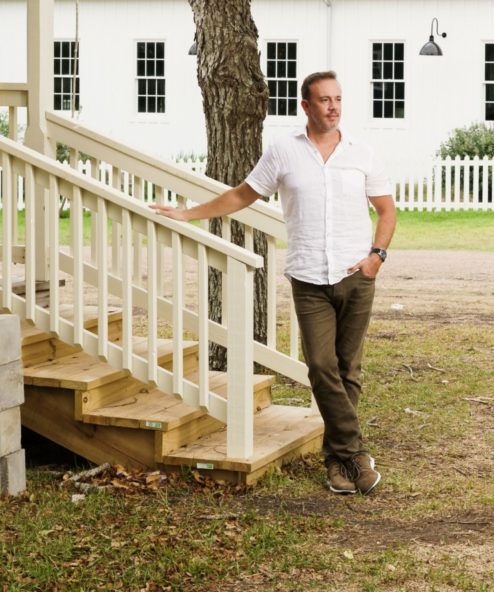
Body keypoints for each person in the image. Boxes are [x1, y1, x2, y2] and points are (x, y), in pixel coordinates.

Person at [151, 70, 396, 495]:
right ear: (306, 105)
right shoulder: (284, 151)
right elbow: (242, 195)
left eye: (338, 98)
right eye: (324, 100)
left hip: (357, 276)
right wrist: (188, 214)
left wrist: (377, 257)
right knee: (321, 366)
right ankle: (355, 454)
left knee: (348, 369)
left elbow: (386, 211)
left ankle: (337, 464)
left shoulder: (362, 152)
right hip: (308, 277)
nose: (333, 107)